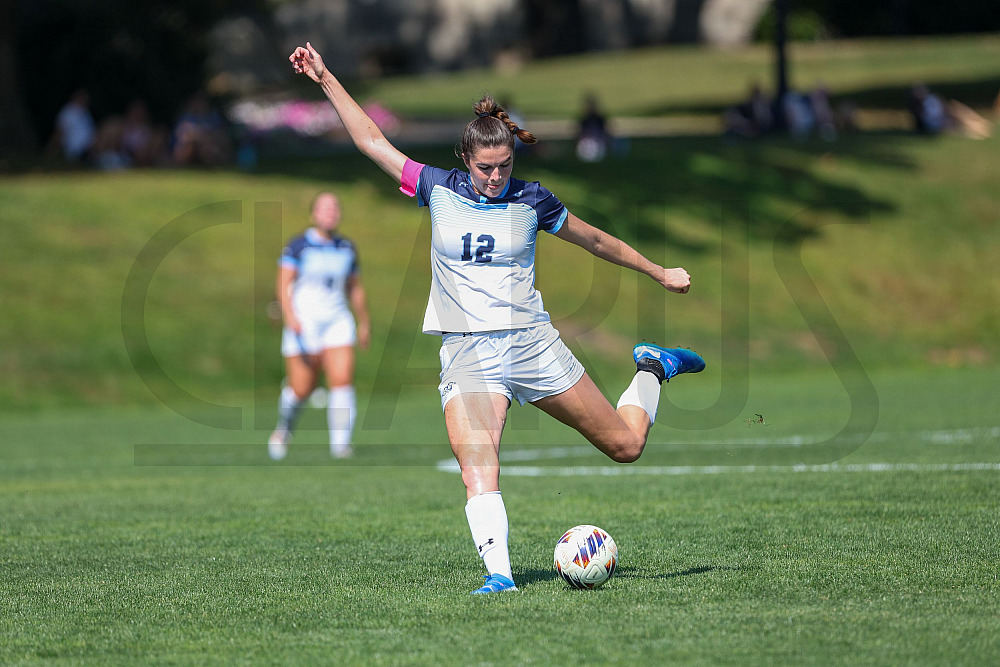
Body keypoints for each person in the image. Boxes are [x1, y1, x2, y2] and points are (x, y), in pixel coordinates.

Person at [289, 42, 705, 594]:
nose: (495, 177)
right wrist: (324, 77)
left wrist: (657, 270)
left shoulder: (534, 201)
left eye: (505, 166)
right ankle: (500, 576)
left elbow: (597, 240)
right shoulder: (436, 188)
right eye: (486, 168)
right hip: (466, 349)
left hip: (532, 343)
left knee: (626, 446)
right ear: (467, 160)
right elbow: (371, 140)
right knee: (478, 459)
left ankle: (652, 368)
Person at [268, 192, 372, 461]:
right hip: (305, 322)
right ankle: (283, 430)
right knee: (302, 388)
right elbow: (283, 284)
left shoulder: (346, 247)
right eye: (325, 208)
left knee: (342, 380)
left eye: (335, 207)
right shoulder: (299, 245)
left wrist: (363, 322)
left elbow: (355, 288)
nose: (331, 213)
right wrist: (291, 317)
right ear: (314, 213)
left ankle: (341, 445)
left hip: (337, 320)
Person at [53, 89, 96, 163]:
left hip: (89, 146)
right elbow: (59, 132)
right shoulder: (68, 112)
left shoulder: (85, 113)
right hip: (77, 149)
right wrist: (52, 151)